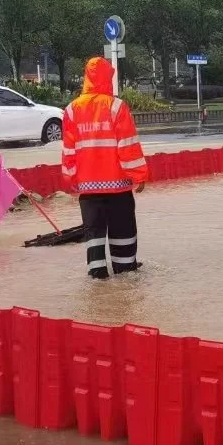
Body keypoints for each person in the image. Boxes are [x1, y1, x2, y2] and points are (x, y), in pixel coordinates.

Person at [61, 57, 149, 279]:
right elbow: (127, 145)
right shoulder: (116, 106)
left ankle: (98, 276)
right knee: (123, 234)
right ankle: (125, 270)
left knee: (94, 236)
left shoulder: (72, 110)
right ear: (108, 77)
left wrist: (71, 178)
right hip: (118, 186)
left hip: (88, 189)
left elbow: (69, 150)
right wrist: (139, 175)